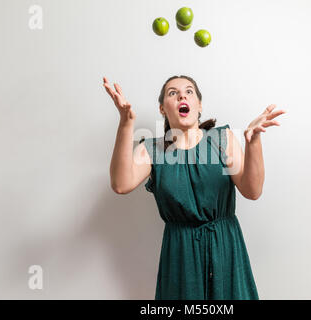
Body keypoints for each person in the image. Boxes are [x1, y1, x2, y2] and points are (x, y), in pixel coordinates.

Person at [103, 75, 286, 299]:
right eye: (173, 93)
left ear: (198, 104)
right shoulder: (153, 149)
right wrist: (125, 123)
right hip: (181, 256)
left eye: (189, 91)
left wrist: (253, 141)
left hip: (225, 248)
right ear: (162, 109)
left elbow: (253, 190)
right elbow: (121, 184)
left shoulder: (222, 139)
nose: (182, 95)